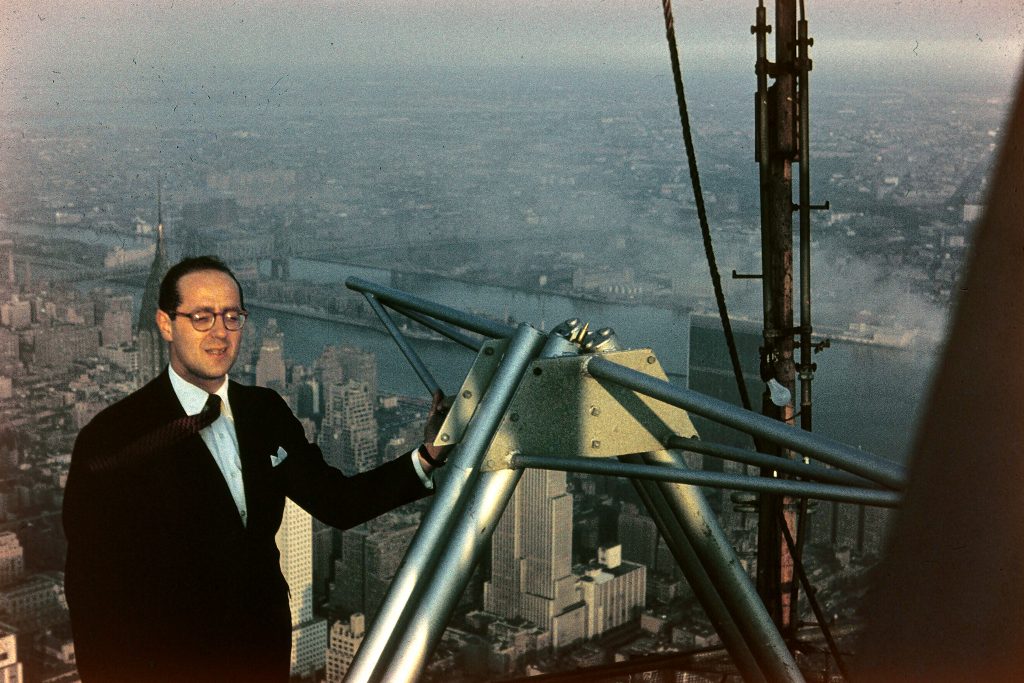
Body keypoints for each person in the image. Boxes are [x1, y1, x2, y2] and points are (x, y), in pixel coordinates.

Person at [63, 256, 450, 682]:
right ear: (166, 324)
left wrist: (429, 455)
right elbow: (93, 595)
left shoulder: (264, 411)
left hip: (263, 654)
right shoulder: (111, 437)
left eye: (232, 317)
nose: (219, 332)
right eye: (201, 317)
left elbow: (338, 502)